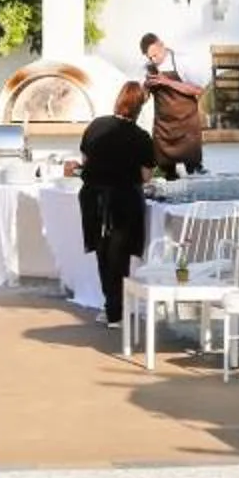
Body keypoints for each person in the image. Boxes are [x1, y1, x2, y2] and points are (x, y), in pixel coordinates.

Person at [77, 82, 158, 329]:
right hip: (123, 200)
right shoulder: (141, 137)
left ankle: (111, 307)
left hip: (93, 197)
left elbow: (85, 160)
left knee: (103, 253)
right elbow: (146, 176)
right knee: (118, 257)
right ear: (139, 107)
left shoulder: (96, 126)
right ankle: (116, 311)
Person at [139, 32, 208, 179]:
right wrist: (145, 87)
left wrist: (168, 82)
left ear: (162, 45)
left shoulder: (183, 61)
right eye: (149, 57)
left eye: (155, 55)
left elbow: (198, 90)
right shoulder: (147, 68)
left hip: (186, 125)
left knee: (193, 171)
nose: (153, 60)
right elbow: (143, 100)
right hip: (163, 128)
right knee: (167, 174)